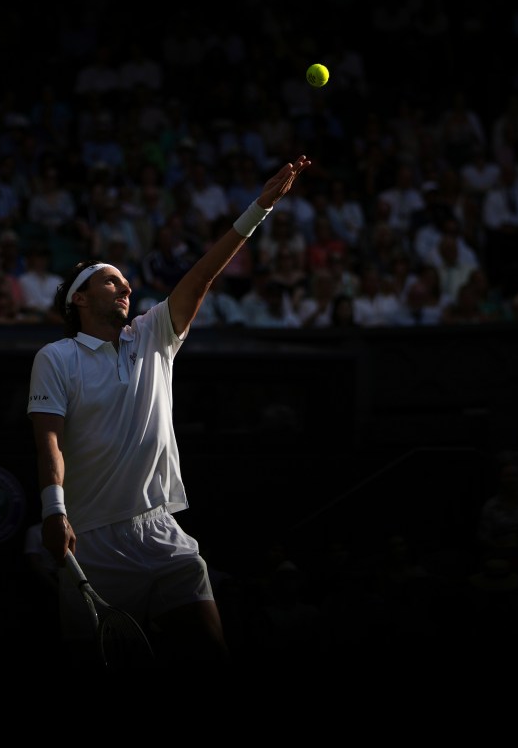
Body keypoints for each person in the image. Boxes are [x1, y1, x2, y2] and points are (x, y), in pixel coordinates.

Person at [27, 155, 311, 668]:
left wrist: (260, 208)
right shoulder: (56, 357)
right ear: (81, 301)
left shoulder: (153, 335)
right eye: (110, 282)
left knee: (211, 654)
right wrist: (54, 510)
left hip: (162, 533)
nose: (125, 287)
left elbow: (202, 275)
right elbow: (48, 438)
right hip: (90, 541)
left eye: (125, 282)